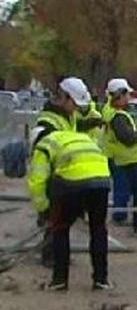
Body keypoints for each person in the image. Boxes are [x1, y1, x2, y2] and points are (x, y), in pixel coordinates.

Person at [27, 124, 113, 291]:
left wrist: (45, 210)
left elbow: (37, 182)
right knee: (98, 230)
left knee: (60, 230)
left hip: (71, 183)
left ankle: (59, 280)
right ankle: (101, 280)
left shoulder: (44, 146)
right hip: (101, 180)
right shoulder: (77, 137)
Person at [33, 76, 97, 267]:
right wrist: (42, 203)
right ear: (64, 97)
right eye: (75, 104)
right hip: (53, 178)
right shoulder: (47, 124)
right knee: (54, 221)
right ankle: (51, 257)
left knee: (61, 222)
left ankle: (55, 254)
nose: (77, 109)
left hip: (65, 176)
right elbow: (39, 166)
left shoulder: (66, 116)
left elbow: (75, 128)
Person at [103, 78, 137, 236]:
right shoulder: (118, 116)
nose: (129, 98)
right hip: (128, 160)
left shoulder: (112, 112)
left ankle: (131, 220)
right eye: (127, 94)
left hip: (121, 159)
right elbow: (128, 138)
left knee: (125, 191)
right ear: (120, 95)